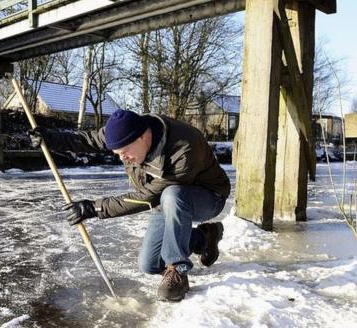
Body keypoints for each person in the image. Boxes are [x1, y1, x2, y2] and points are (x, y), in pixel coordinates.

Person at [28, 109, 230, 302]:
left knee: (172, 194)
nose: (122, 158)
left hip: (208, 197)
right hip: (165, 201)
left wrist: (95, 208)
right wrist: (50, 138)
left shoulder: (183, 147)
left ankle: (178, 270)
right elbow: (88, 139)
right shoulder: (124, 130)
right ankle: (204, 237)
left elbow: (148, 197)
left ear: (143, 136)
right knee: (149, 265)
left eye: (124, 152)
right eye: (117, 153)